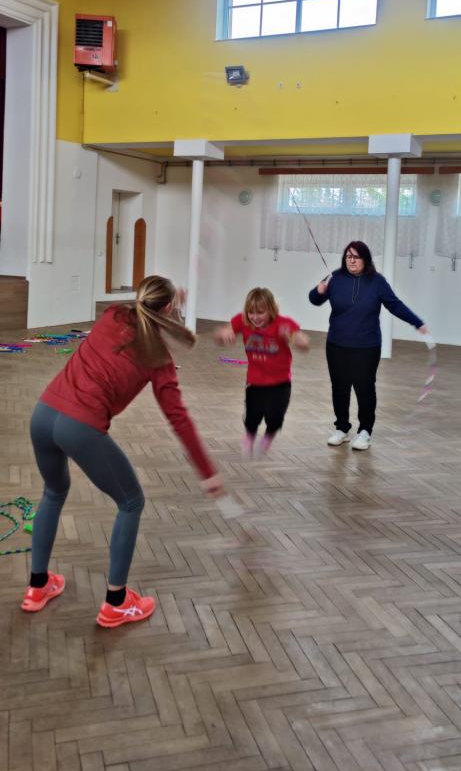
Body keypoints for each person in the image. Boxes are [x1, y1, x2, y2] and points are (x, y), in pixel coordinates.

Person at [21, 276, 223, 627]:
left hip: (44, 414)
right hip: (79, 426)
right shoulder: (158, 358)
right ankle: (116, 602)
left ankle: (37, 587)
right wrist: (207, 471)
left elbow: (142, 310)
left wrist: (167, 303)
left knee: (53, 491)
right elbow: (179, 419)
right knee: (131, 501)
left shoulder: (112, 315)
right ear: (167, 309)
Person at [308, 241, 428, 451]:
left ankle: (365, 431)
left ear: (365, 259)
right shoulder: (334, 278)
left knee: (364, 388)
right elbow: (314, 300)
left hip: (367, 346)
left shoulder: (377, 281)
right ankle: (342, 428)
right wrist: (318, 291)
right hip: (336, 344)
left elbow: (395, 305)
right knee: (339, 387)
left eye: (356, 257)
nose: (352, 261)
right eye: (348, 257)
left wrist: (416, 322)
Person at [215, 287, 310, 457]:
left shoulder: (283, 323)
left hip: (281, 381)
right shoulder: (243, 321)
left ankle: (269, 435)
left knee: (275, 417)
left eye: (260, 312)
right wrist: (224, 333)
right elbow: (219, 336)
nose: (255, 317)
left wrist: (296, 339)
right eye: (251, 312)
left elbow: (304, 344)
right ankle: (249, 436)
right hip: (255, 381)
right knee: (253, 416)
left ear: (271, 310)